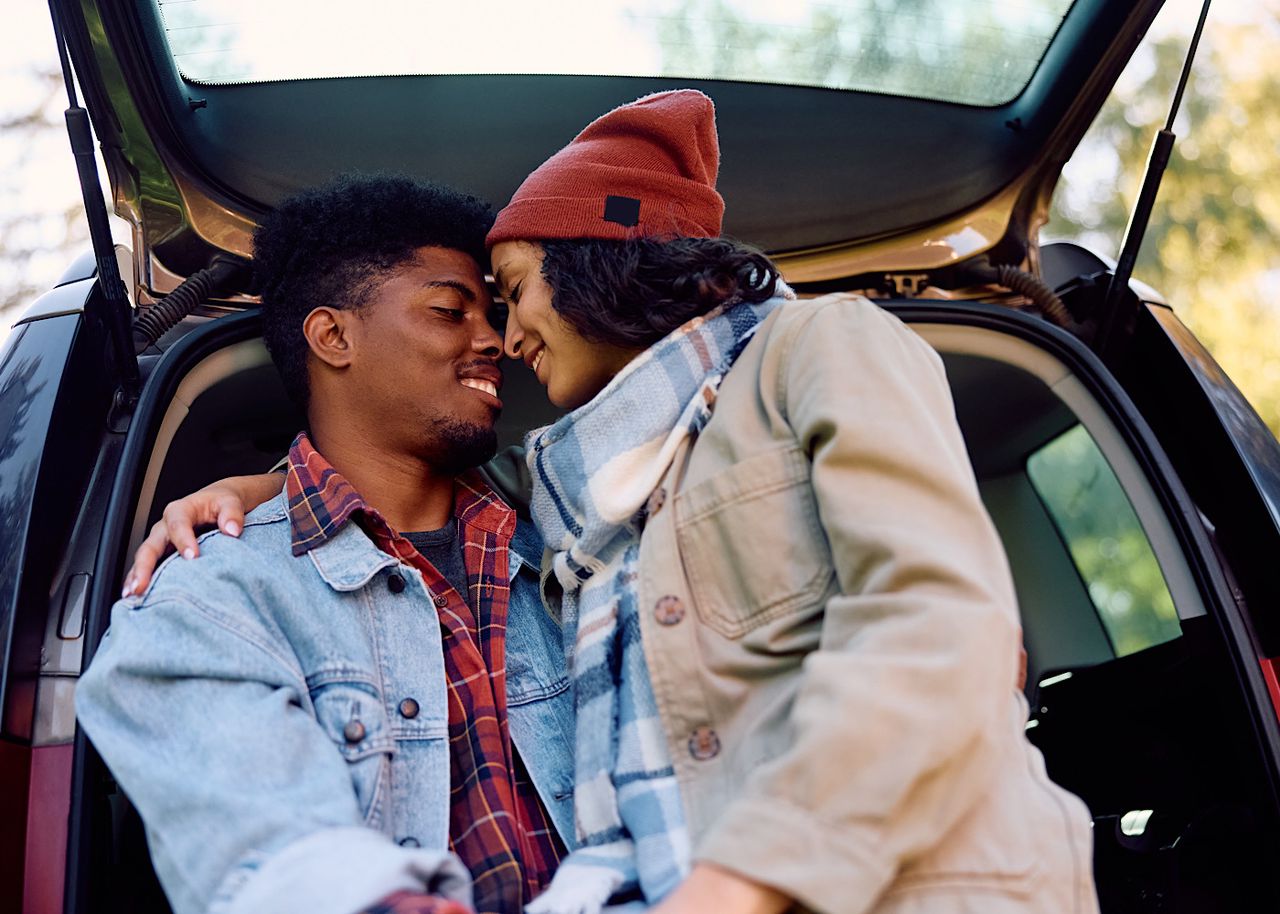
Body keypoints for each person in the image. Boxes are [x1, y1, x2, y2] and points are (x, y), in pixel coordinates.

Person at [126, 91, 1098, 914]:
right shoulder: (565, 490)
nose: (505, 340)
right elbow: (393, 486)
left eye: (508, 292)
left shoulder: (818, 351)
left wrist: (737, 880)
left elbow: (934, 626)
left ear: (596, 253)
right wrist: (263, 488)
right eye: (465, 308)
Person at [77, 175, 579, 914]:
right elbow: (281, 857)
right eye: (450, 310)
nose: (493, 342)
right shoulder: (208, 596)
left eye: (495, 313)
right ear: (333, 336)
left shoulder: (570, 532)